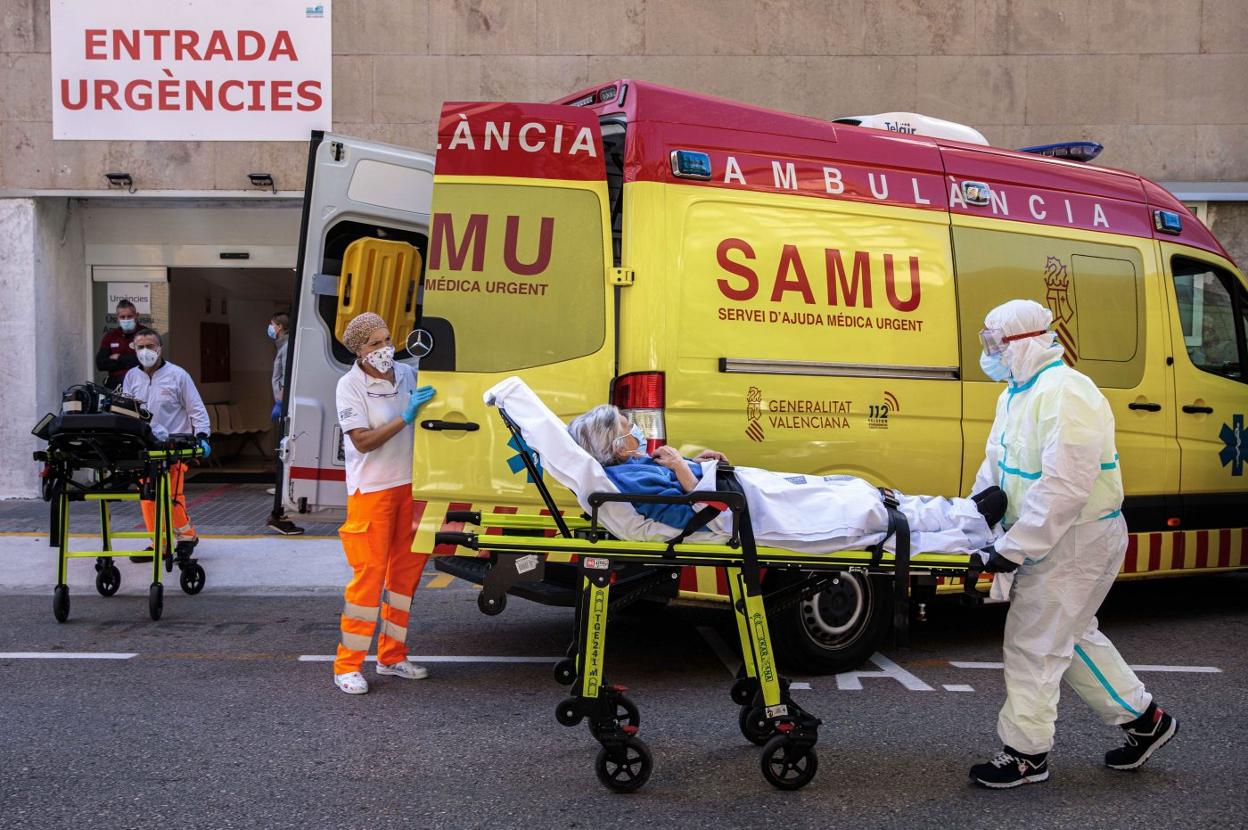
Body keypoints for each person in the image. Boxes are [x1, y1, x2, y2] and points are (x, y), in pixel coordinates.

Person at [967, 299, 1178, 789]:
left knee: (1034, 645)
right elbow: (995, 463)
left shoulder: (1069, 394)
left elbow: (1066, 486)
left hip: (1077, 541)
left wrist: (1012, 548)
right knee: (1071, 637)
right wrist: (980, 512)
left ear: (1027, 341)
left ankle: (1026, 754)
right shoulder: (1016, 395)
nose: (990, 352)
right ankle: (1145, 722)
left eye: (996, 343)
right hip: (1049, 538)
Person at [566, 405, 1007, 556]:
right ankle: (972, 533)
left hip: (745, 496)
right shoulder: (626, 479)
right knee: (863, 520)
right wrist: (683, 467)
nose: (636, 430)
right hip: (748, 514)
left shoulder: (634, 467)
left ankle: (962, 511)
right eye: (628, 426)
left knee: (856, 492)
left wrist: (704, 465)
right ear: (615, 443)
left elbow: (692, 497)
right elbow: (690, 514)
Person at [331, 312, 436, 695]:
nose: (384, 349)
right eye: (374, 344)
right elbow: (361, 440)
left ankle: (391, 656)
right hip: (371, 493)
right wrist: (406, 417)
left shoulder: (408, 375)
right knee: (369, 581)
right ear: (358, 350)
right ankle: (347, 665)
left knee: (404, 578)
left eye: (387, 340)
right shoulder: (349, 386)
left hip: (411, 488)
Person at [121, 328, 212, 561]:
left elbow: (196, 408)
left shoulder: (178, 376)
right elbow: (126, 412)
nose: (145, 351)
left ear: (160, 348)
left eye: (150, 346)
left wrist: (202, 435)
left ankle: (186, 536)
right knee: (148, 497)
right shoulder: (132, 376)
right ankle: (158, 543)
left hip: (174, 445)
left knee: (171, 496)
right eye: (140, 347)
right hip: (145, 446)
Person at [265, 312, 304, 535]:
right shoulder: (283, 344)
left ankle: (281, 507)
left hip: (285, 403)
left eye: (271, 324)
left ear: (279, 326)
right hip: (283, 402)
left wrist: (282, 395)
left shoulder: (288, 346)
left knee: (285, 451)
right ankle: (280, 508)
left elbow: (286, 374)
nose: (270, 328)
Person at [95, 299, 140, 391]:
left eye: (129, 316)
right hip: (115, 386)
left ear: (136, 315)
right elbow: (100, 363)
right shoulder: (111, 335)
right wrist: (130, 360)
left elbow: (145, 361)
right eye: (122, 317)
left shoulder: (144, 334)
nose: (126, 319)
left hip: (139, 383)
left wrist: (119, 358)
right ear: (117, 318)